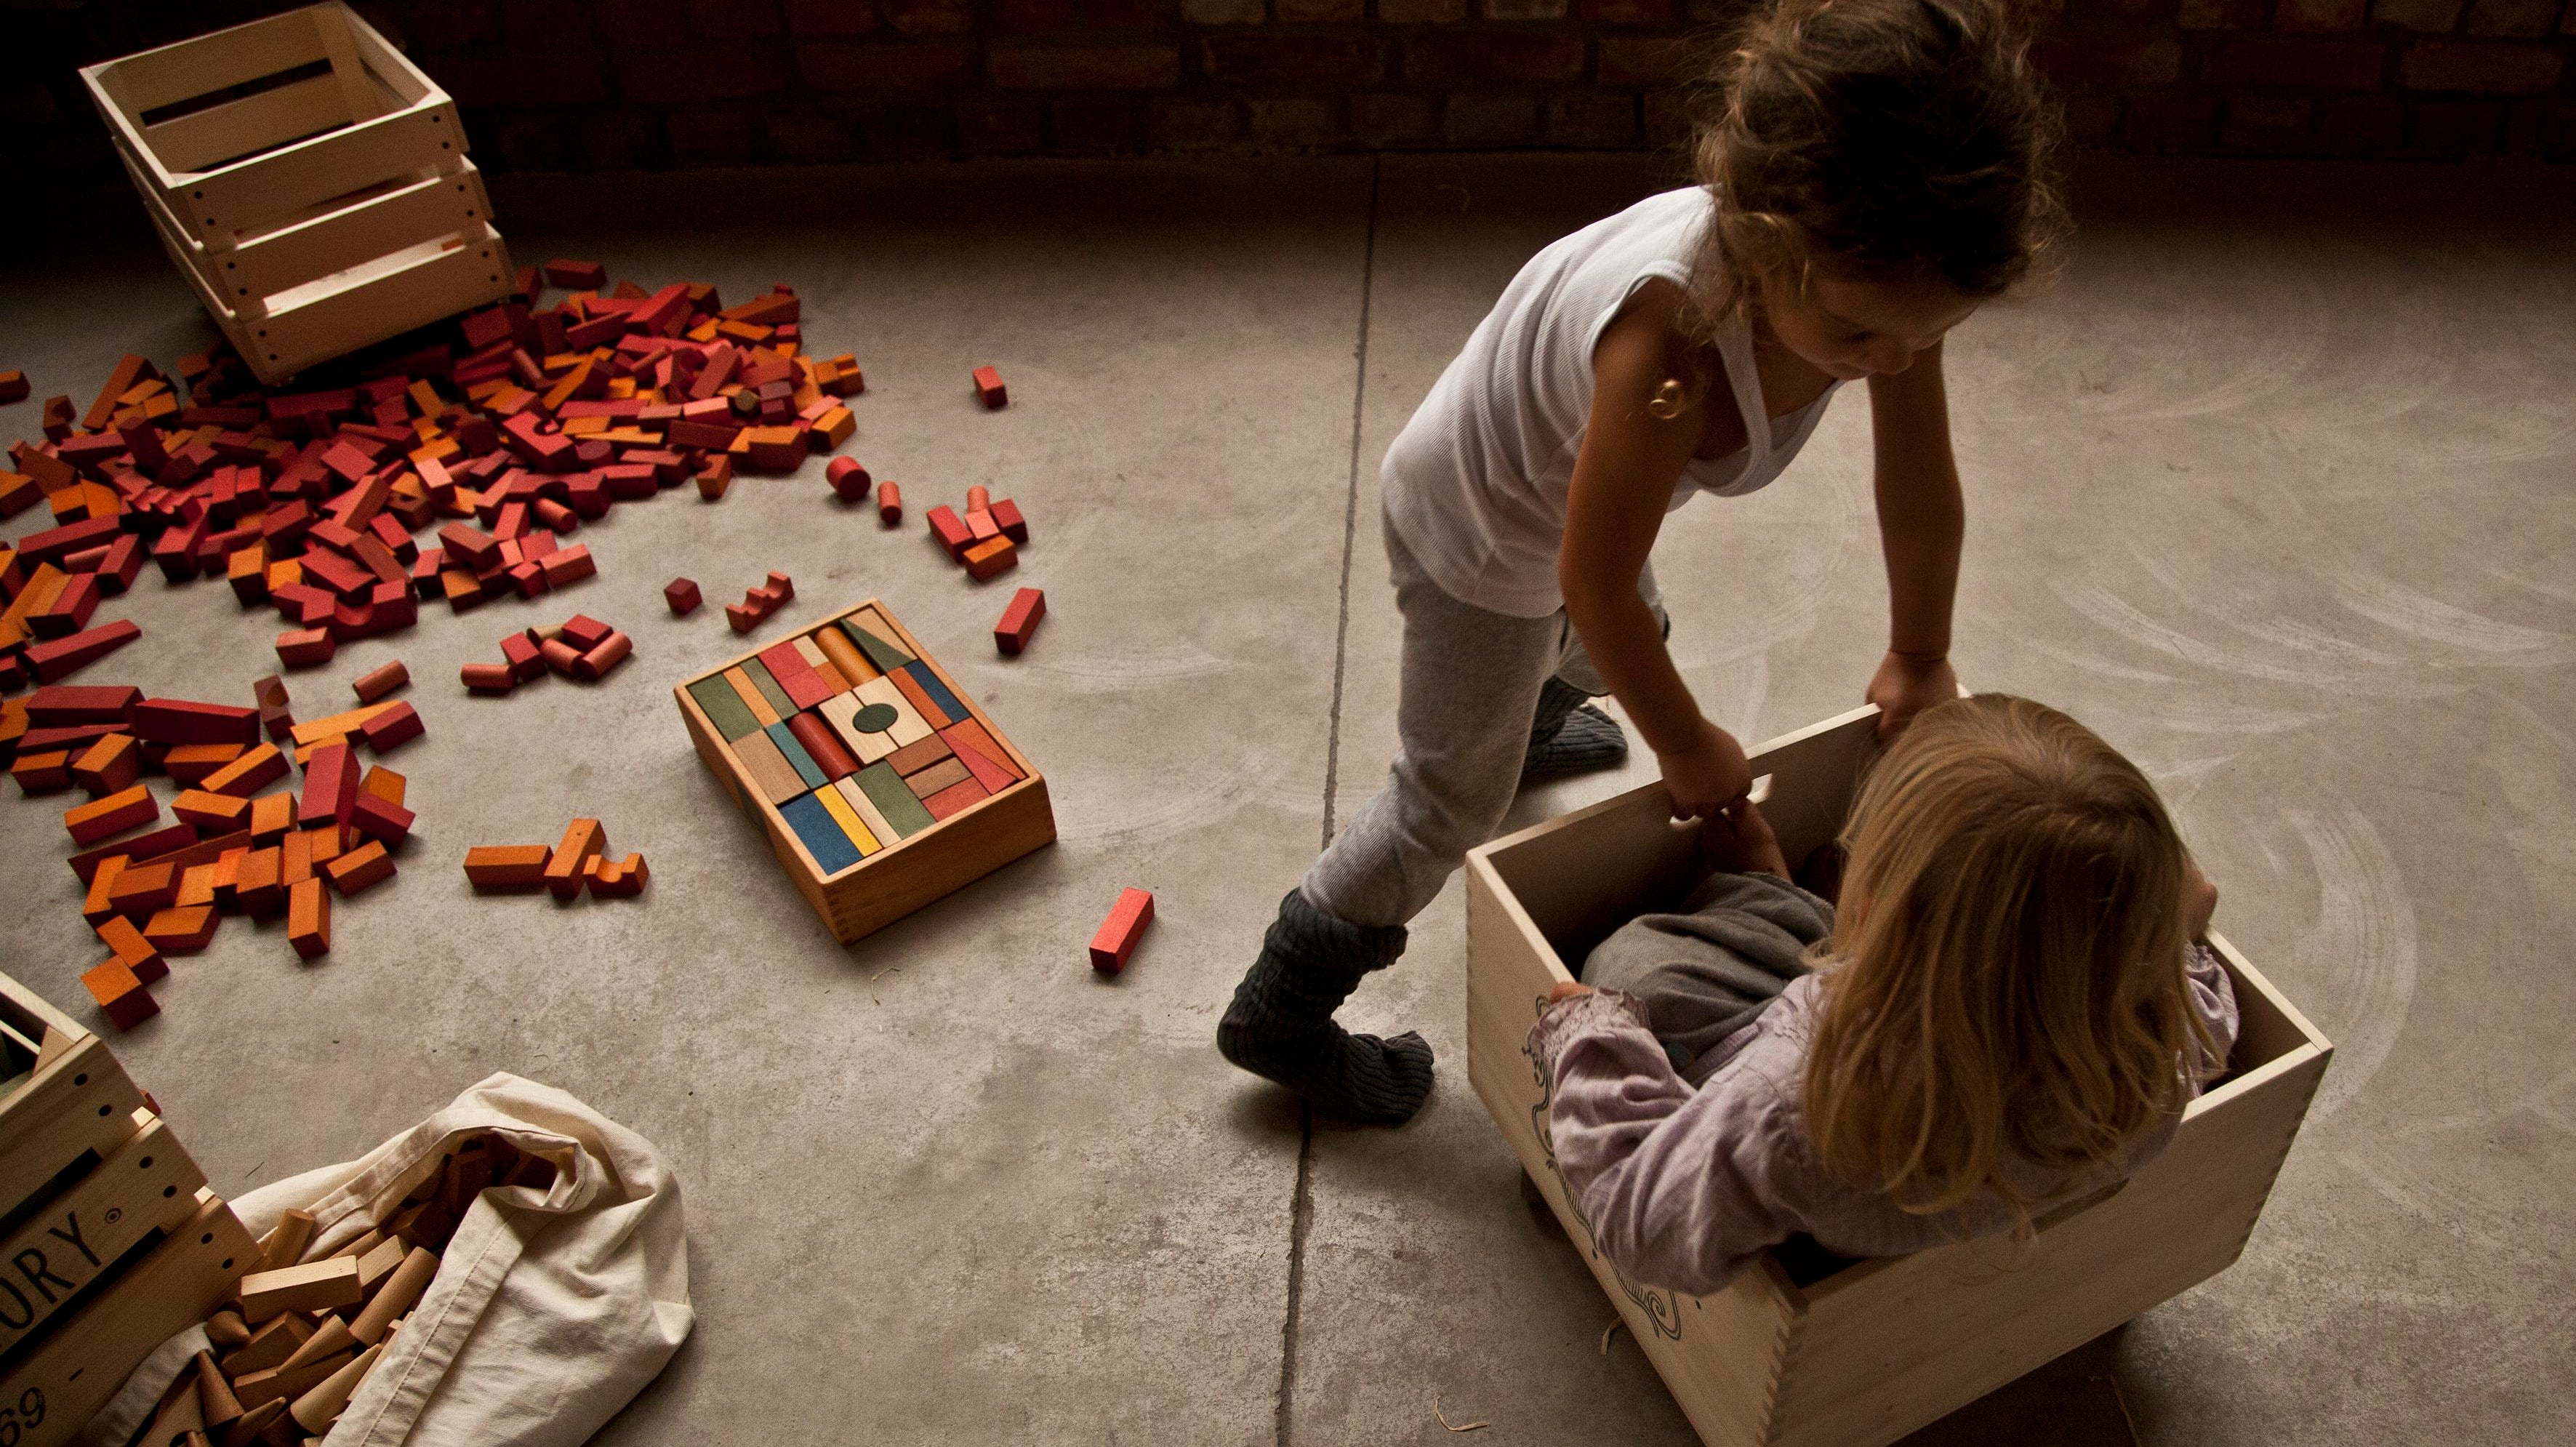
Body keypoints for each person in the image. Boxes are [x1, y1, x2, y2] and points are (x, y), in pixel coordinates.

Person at [1219, 0, 2072, 1124]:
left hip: (1571, 506)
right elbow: (1588, 578)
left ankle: (1524, 713)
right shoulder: (1667, 340)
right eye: (1864, 339)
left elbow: (1912, 488)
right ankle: (1283, 1005)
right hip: (1480, 527)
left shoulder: (1882, 282)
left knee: (1633, 644)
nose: (1896, 361)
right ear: (1768, 245)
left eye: (1926, 333)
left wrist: (1920, 649)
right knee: (1448, 794)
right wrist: (1691, 749)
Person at [1530, 695, 2239, 1293]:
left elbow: (1642, 1220)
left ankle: (1772, 901)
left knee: (1632, 968)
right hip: (1902, 1133)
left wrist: (1592, 1031)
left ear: (1864, 921)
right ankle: (1779, 903)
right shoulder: (2154, 1050)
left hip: (1768, 1098)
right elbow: (2198, 950)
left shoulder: (1800, 1101)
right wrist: (2177, 944)